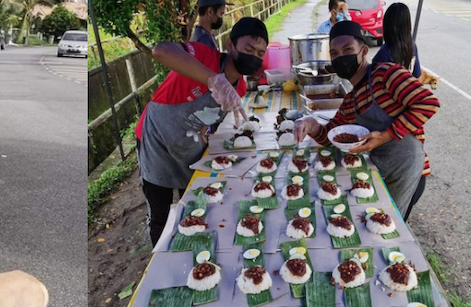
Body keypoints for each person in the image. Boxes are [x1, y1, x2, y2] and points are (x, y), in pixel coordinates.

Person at [136, 17, 266, 246]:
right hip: (156, 144)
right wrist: (214, 80)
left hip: (188, 148)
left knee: (195, 207)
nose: (254, 55)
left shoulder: (241, 88)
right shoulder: (204, 56)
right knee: (161, 217)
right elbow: (161, 50)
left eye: (260, 53)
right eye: (248, 48)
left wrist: (208, 131)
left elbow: (210, 120)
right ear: (230, 45)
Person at [294, 21, 439, 221]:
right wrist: (311, 124)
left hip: (408, 171)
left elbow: (428, 102)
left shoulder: (386, 73)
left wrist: (385, 135)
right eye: (334, 53)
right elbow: (331, 135)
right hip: (380, 170)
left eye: (347, 49)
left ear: (363, 52)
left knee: (390, 229)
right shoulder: (351, 101)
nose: (341, 57)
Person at [373, 3, 421, 78]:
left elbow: (372, 80)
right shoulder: (412, 45)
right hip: (406, 88)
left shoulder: (384, 54)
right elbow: (417, 74)